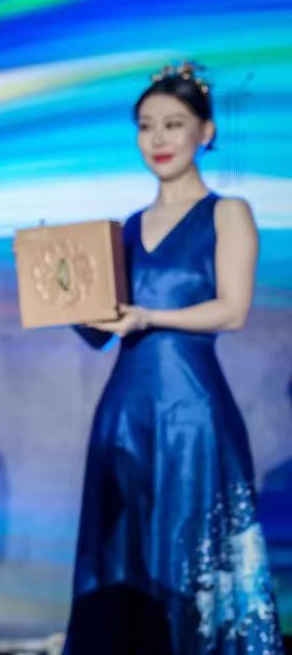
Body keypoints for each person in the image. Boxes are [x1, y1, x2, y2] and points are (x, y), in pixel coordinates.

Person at [65, 63, 281, 654]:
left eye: (174, 124)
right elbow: (101, 333)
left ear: (206, 132)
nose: (158, 138)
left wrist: (148, 317)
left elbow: (232, 310)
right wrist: (66, 292)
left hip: (192, 411)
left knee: (188, 546)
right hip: (125, 410)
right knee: (123, 550)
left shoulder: (227, 212)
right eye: (146, 125)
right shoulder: (128, 228)